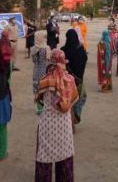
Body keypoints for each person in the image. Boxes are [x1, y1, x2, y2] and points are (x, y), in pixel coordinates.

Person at [35, 49, 78, 182]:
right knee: (64, 158)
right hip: (64, 126)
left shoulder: (45, 80)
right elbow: (72, 101)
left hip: (47, 125)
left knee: (44, 158)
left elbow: (40, 100)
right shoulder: (70, 80)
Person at [61, 29, 88, 125]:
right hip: (79, 80)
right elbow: (85, 59)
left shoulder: (63, 50)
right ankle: (75, 119)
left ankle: (69, 122)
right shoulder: (81, 49)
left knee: (68, 101)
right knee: (78, 99)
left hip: (66, 81)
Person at [31, 31, 51, 114]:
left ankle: (39, 108)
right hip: (45, 72)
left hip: (36, 71)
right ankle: (44, 107)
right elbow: (49, 60)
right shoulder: (47, 48)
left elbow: (34, 61)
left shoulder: (34, 49)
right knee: (44, 90)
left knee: (37, 89)